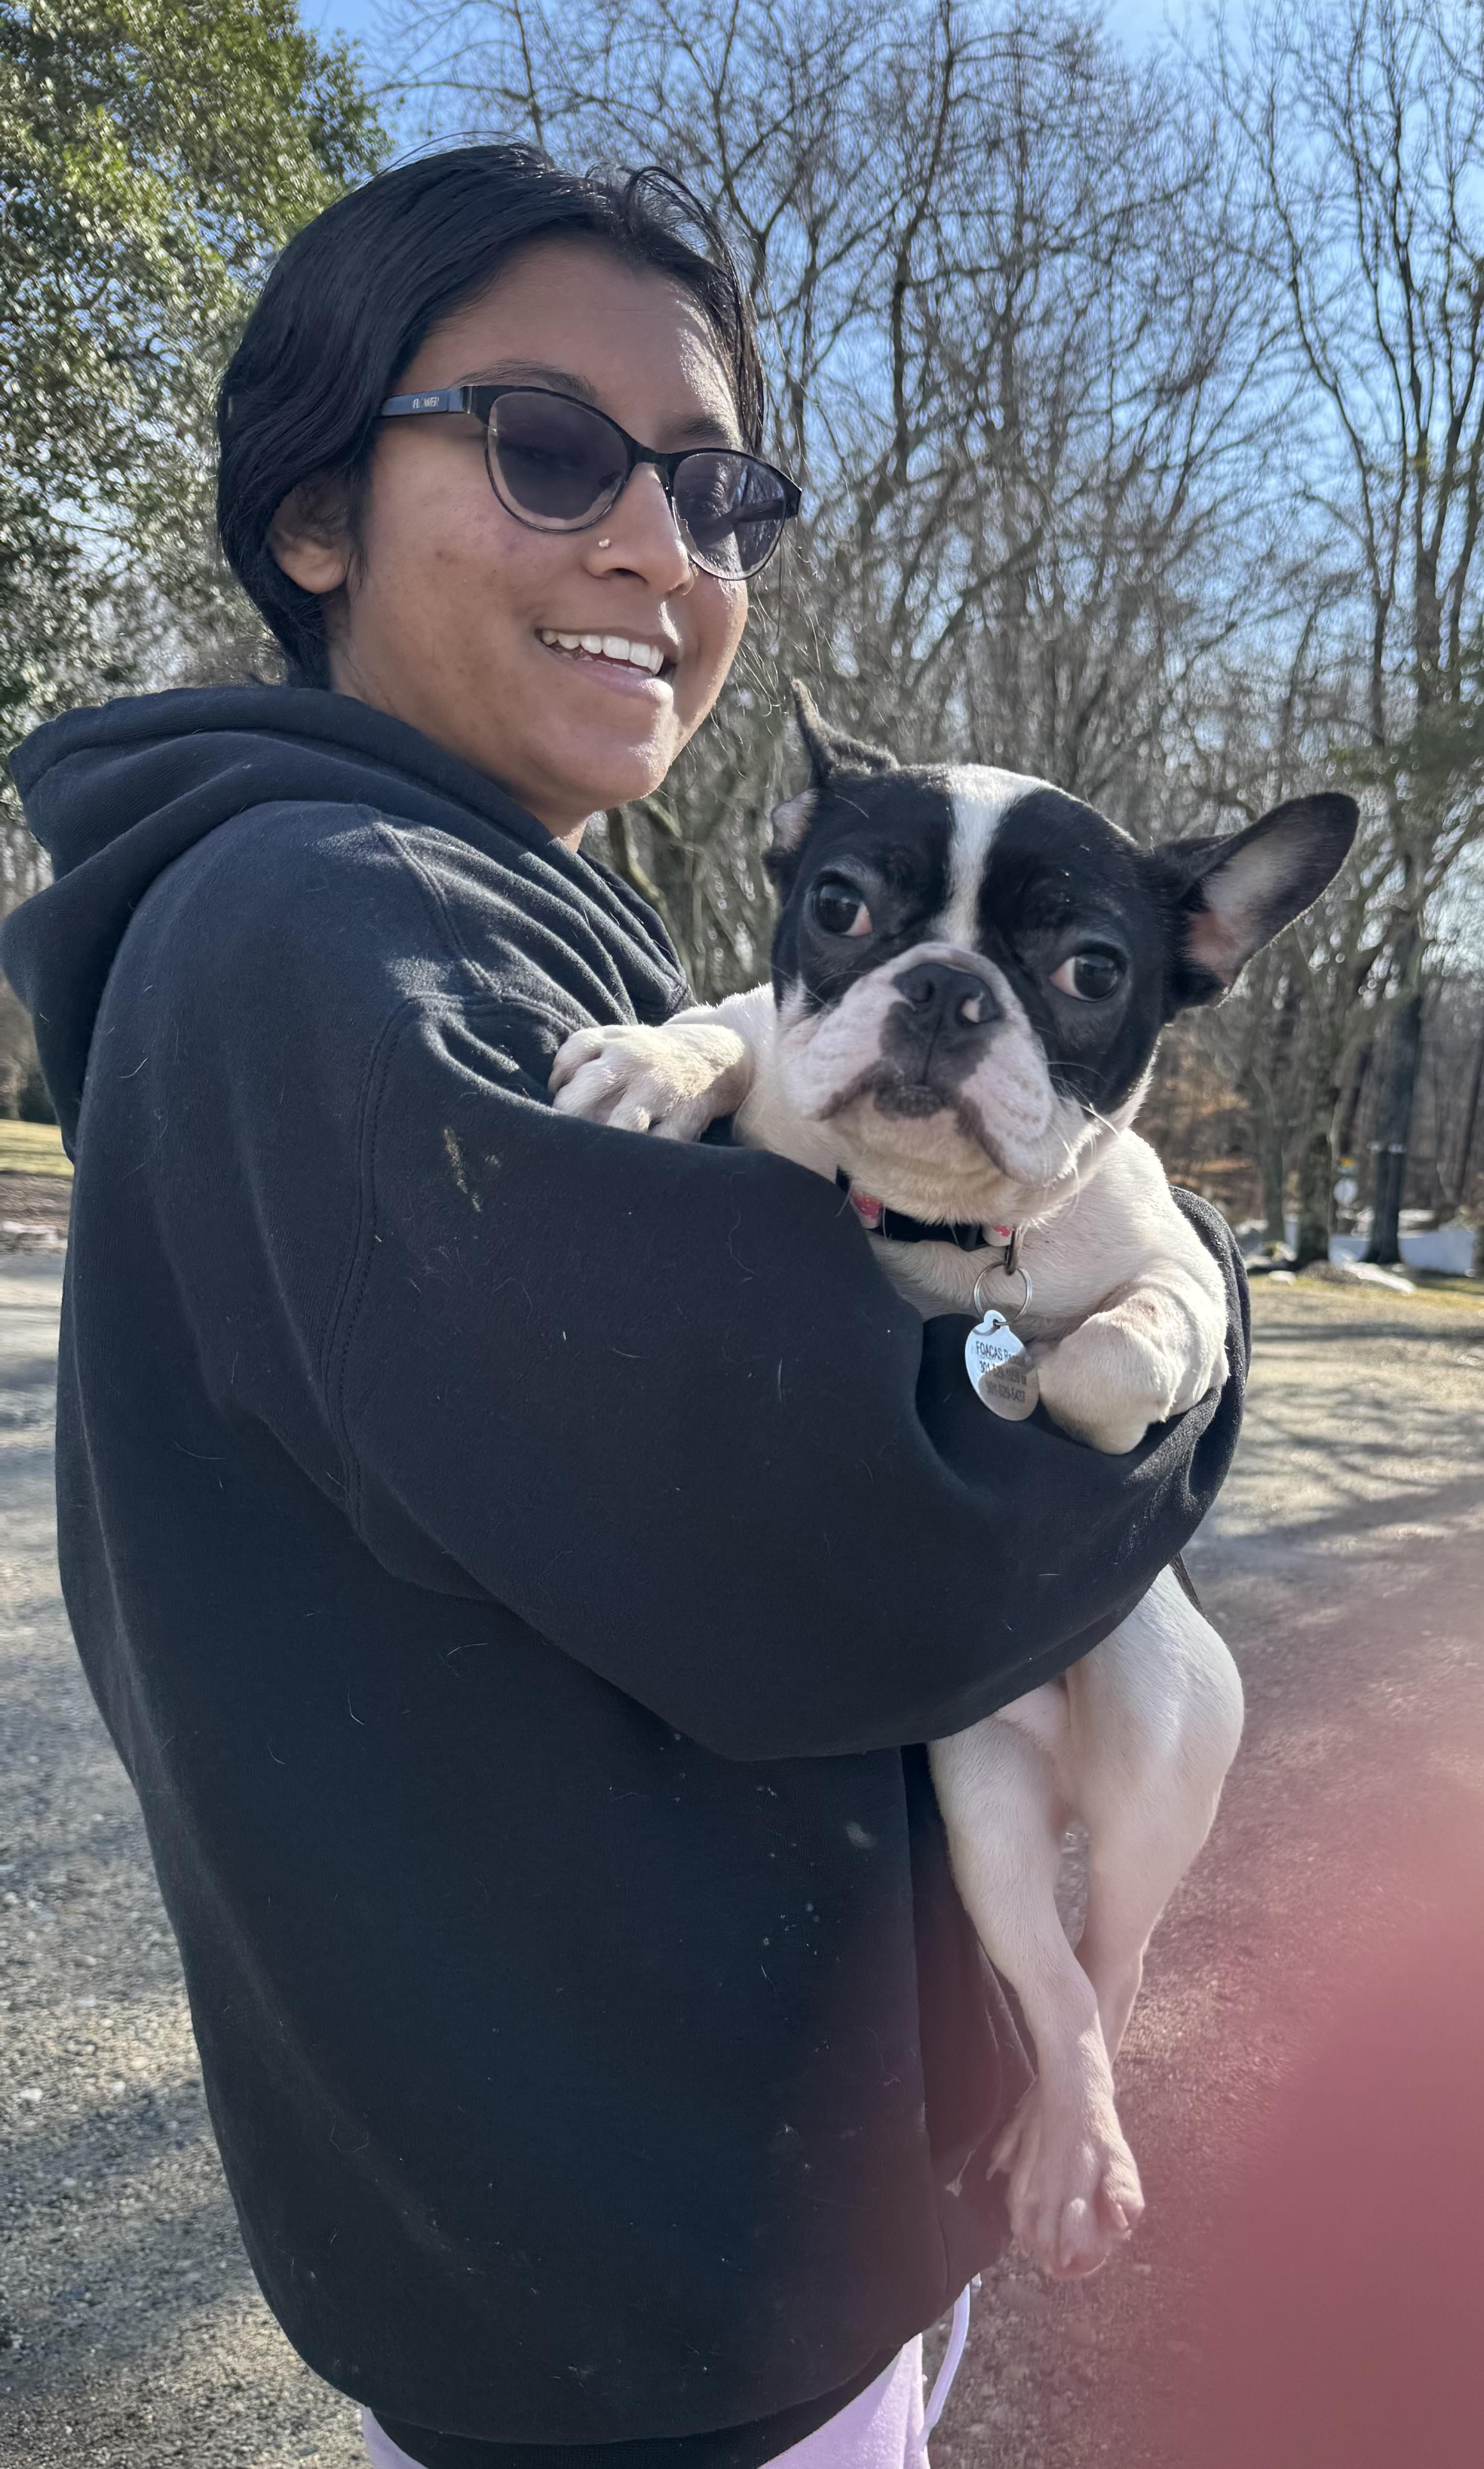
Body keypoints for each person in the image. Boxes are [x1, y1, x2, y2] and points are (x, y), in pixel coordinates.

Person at [1, 146, 1247, 2469]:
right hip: (645, 2316)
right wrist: (1185, 1340)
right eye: (552, 453)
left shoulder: (482, 917)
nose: (663, 552)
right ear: (308, 518)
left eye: (716, 489)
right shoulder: (334, 939)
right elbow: (876, 1541)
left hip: (706, 2238)